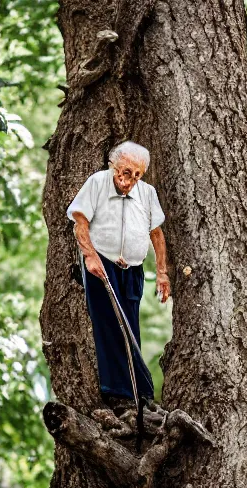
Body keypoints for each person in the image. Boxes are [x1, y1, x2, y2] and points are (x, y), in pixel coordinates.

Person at [66, 141, 171, 410]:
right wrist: (90, 255)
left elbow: (156, 234)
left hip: (133, 270)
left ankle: (139, 389)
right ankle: (120, 391)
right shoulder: (98, 182)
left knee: (130, 325)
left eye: (137, 175)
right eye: (126, 172)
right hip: (103, 262)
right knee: (109, 323)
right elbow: (80, 220)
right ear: (113, 164)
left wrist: (162, 273)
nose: (130, 180)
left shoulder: (147, 193)